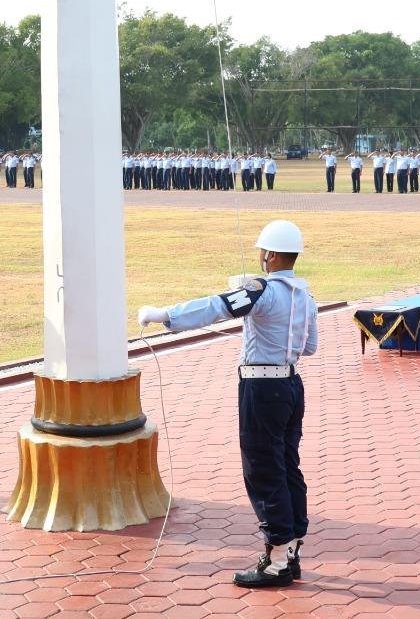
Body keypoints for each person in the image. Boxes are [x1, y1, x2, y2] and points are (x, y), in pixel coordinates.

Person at [137, 220, 318, 589]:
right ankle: (293, 547)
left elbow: (217, 306)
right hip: (291, 384)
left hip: (261, 388)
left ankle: (276, 559)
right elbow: (310, 347)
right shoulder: (306, 295)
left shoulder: (262, 290)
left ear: (268, 255)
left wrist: (166, 315)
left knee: (263, 470)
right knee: (287, 466)